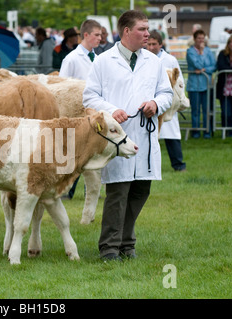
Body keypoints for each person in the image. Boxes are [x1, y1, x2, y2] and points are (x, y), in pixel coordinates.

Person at [82, 10, 173, 261]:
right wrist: (112, 111)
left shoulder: (154, 61)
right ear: (126, 31)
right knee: (118, 193)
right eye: (142, 29)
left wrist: (156, 103)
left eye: (148, 29)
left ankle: (126, 243)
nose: (148, 34)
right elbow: (89, 96)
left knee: (140, 191)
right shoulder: (102, 61)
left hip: (144, 134)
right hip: (117, 138)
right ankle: (110, 248)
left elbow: (167, 93)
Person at [59, 19, 102, 200]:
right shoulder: (71, 59)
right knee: (74, 153)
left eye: (101, 35)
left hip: (94, 112)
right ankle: (66, 190)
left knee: (93, 151)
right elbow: (61, 87)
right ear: (86, 35)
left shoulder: (98, 58)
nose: (100, 38)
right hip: (76, 113)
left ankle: (92, 191)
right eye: (97, 35)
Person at [147, 30, 186, 171]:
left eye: (154, 44)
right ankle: (149, 166)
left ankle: (178, 165)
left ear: (160, 44)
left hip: (167, 101)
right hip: (150, 101)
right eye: (149, 44)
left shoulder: (170, 59)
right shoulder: (143, 58)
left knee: (172, 134)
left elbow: (179, 80)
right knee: (149, 135)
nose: (151, 47)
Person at [186, 29, 216, 139]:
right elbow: (197, 64)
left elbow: (214, 66)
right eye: (199, 38)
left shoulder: (208, 51)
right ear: (194, 39)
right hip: (194, 86)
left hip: (207, 85)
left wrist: (204, 69)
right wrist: (201, 54)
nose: (201, 41)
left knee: (207, 110)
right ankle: (196, 131)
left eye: (203, 38)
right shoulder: (190, 52)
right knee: (195, 110)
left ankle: (207, 131)